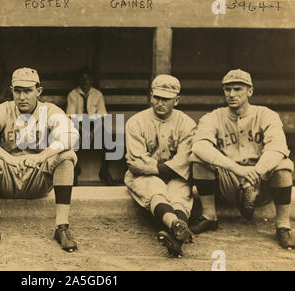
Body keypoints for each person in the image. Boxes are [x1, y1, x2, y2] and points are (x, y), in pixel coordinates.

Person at [0, 67, 79, 253]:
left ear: (39, 91)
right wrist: (7, 158)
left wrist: (41, 156)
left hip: (37, 178)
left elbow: (71, 136)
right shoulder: (3, 110)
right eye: (17, 90)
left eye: (28, 91)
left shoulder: (50, 110)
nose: (22, 96)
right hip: (7, 178)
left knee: (67, 155)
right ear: (11, 90)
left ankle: (62, 227)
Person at [189, 69, 295, 249]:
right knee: (198, 159)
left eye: (238, 89)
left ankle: (283, 226)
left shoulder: (266, 114)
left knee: (284, 165)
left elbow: (278, 147)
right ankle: (209, 216)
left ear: (250, 91)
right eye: (227, 89)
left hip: (260, 183)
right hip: (229, 180)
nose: (231, 94)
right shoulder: (214, 117)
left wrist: (256, 172)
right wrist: (237, 170)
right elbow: (200, 146)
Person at [124, 74, 196, 257]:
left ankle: (174, 232)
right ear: (151, 96)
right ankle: (176, 226)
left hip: (175, 175)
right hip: (144, 176)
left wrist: (154, 167)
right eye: (156, 97)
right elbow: (138, 160)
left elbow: (183, 160)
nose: (160, 103)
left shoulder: (187, 123)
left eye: (166, 99)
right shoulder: (136, 122)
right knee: (155, 191)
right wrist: (159, 169)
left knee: (179, 196)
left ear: (177, 100)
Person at [66, 67, 114, 185]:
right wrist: (83, 131)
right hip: (78, 124)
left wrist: (94, 130)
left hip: (94, 124)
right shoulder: (73, 94)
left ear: (92, 80)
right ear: (79, 80)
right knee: (70, 138)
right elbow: (71, 116)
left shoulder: (97, 94)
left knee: (110, 141)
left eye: (88, 79)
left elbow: (102, 115)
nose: (85, 81)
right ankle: (75, 170)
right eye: (82, 78)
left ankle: (104, 170)